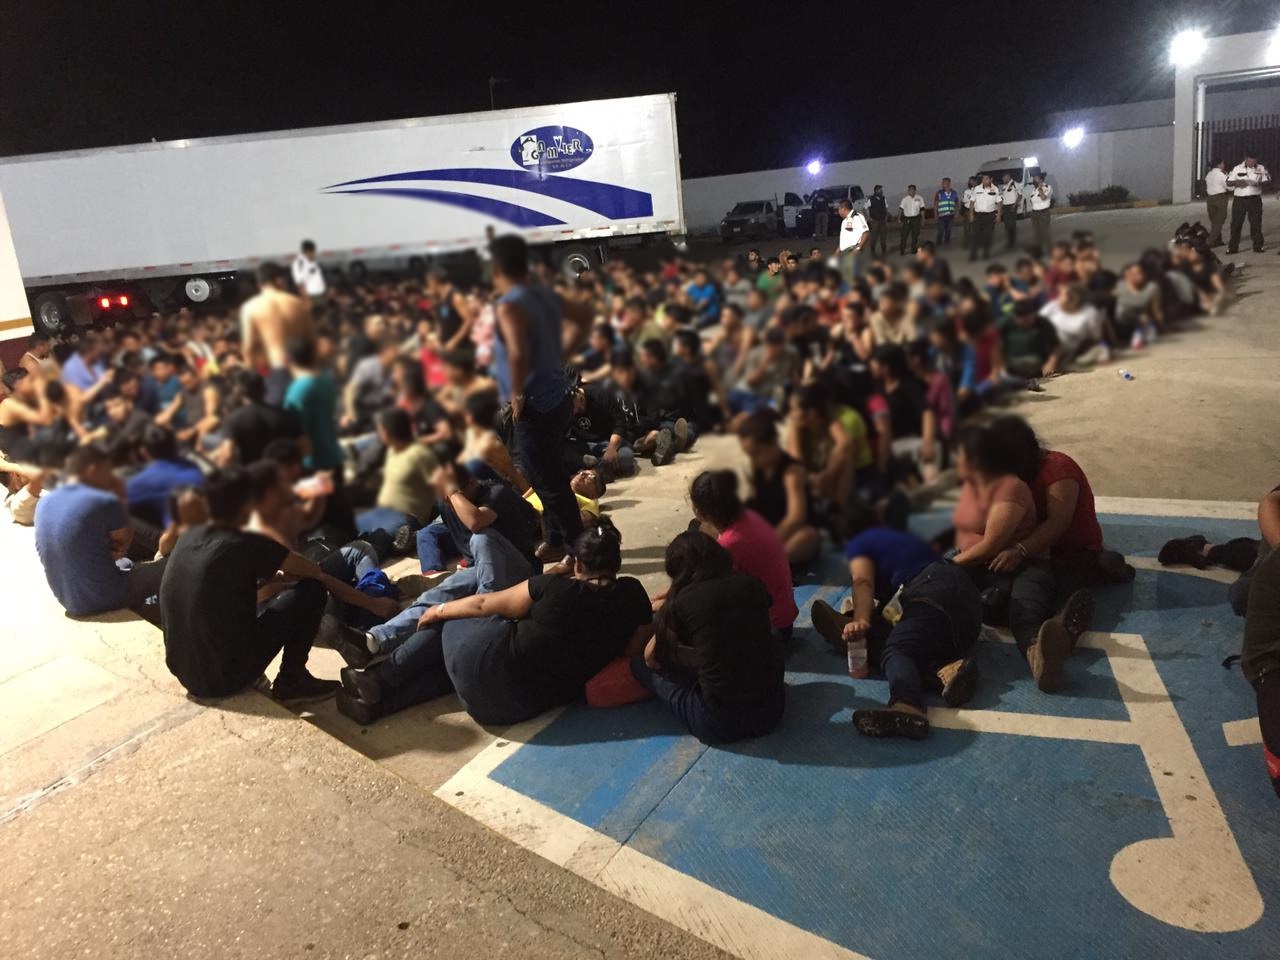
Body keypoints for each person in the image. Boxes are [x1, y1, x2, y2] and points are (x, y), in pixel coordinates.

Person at [337, 521, 651, 726]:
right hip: (513, 709)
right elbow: (632, 651)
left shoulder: (553, 588)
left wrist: (439, 611)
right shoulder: (634, 596)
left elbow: (484, 604)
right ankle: (376, 706)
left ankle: (381, 678)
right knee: (467, 665)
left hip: (490, 669)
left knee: (457, 622)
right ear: (617, 565)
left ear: (577, 564)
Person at [158, 467, 347, 702]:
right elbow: (311, 570)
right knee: (312, 590)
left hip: (183, 669)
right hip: (223, 677)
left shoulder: (192, 531)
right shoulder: (244, 539)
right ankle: (293, 680)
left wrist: (277, 580)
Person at [948, 426, 1091, 692]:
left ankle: (1044, 649)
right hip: (992, 567)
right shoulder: (978, 485)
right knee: (959, 598)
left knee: (1026, 609)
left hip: (1060, 554)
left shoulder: (1032, 478)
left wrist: (1020, 550)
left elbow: (1055, 524)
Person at [813, 520, 981, 740]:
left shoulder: (862, 542)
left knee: (897, 649)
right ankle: (947, 671)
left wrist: (860, 620)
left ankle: (907, 705)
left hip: (933, 592)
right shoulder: (902, 544)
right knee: (896, 641)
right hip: (966, 619)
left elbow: (862, 581)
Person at [492, 234, 592, 563]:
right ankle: (555, 538)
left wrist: (518, 394)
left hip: (536, 405)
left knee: (549, 481)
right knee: (544, 474)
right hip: (555, 396)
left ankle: (577, 551)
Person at [633, 532, 785, 744]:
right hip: (771, 712)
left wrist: (666, 610)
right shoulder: (751, 584)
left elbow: (651, 658)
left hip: (717, 722)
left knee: (639, 664)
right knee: (765, 639)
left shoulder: (681, 602)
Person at [989, 416, 1134, 593]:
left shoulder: (1058, 469)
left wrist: (1020, 551)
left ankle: (1103, 566)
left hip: (1069, 549)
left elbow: (1058, 523)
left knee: (1050, 585)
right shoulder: (1008, 471)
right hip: (1033, 545)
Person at [34, 444, 168, 618]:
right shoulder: (103, 499)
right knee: (170, 565)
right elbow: (124, 539)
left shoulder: (45, 501)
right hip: (103, 597)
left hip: (67, 597)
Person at [688, 469, 799, 642]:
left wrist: (671, 599)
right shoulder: (750, 516)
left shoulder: (729, 545)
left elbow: (704, 593)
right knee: (698, 529)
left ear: (700, 511)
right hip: (784, 620)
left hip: (768, 632)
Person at [738, 410, 821, 566]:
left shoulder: (792, 473)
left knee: (806, 537)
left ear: (773, 443)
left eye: (756, 453)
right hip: (767, 529)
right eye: (750, 455)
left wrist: (765, 543)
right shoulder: (759, 468)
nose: (753, 460)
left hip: (790, 534)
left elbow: (795, 518)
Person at [355, 407, 438, 538]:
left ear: (389, 431)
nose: (379, 434)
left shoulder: (421, 454)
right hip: (381, 511)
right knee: (347, 528)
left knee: (378, 538)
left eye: (380, 429)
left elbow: (439, 487)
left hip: (406, 517)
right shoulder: (391, 450)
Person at [241, 262, 314, 406]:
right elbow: (310, 339)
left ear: (260, 284)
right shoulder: (298, 303)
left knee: (279, 415)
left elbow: (248, 347)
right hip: (303, 369)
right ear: (279, 280)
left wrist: (252, 374)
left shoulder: (251, 307)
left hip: (276, 369)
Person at [215, 369, 302, 465]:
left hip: (253, 472)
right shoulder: (282, 413)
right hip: (283, 468)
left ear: (238, 392)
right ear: (264, 389)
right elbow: (304, 445)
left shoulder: (232, 419)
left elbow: (228, 454)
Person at [125, 424, 205, 527]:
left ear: (144, 452)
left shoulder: (149, 479)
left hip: (183, 532)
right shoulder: (192, 463)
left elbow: (116, 501)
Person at [999, 299, 1061, 379]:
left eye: (1028, 317)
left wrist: (1051, 363)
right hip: (1010, 363)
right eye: (1021, 318)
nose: (1025, 320)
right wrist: (1000, 365)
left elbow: (1056, 346)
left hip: (1035, 364)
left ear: (1033, 314)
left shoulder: (1043, 324)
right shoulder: (1006, 323)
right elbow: (993, 342)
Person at [1226, 150, 1270, 255]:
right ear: (1245, 159)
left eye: (1254, 161)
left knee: (1256, 223)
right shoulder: (1237, 168)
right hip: (1240, 199)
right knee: (1236, 224)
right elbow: (1228, 182)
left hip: (1255, 199)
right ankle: (1233, 248)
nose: (1252, 163)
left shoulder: (1261, 168)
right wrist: (1238, 182)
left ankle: (1258, 246)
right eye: (1250, 161)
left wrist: (1258, 183)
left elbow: (1267, 180)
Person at [834, 198, 869, 285]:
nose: (838, 211)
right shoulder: (845, 221)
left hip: (851, 251)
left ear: (843, 209)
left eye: (838, 209)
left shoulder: (857, 217)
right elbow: (844, 238)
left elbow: (866, 233)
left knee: (851, 279)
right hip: (844, 252)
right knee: (845, 278)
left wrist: (857, 249)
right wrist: (837, 251)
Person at [969, 174, 1001, 262]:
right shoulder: (977, 188)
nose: (984, 180)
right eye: (983, 179)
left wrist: (998, 215)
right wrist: (971, 214)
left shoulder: (995, 189)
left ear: (991, 179)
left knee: (987, 235)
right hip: (978, 215)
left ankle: (986, 253)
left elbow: (999, 202)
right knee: (975, 235)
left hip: (989, 216)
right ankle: (973, 255)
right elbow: (972, 201)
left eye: (986, 179)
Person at [290, 239, 326, 305]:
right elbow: (300, 283)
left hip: (320, 293)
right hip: (311, 296)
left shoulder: (312, 261)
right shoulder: (299, 263)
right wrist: (306, 299)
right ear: (307, 252)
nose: (315, 253)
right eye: (313, 252)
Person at [1203, 159, 1229, 248]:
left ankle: (1218, 240)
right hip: (1220, 198)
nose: (1224, 165)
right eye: (1223, 163)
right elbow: (1228, 186)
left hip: (1210, 198)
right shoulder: (1221, 175)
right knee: (1219, 221)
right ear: (1219, 164)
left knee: (1214, 221)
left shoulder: (1209, 174)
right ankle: (1209, 242)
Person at [1028, 173, 1053, 252]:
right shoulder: (1034, 189)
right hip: (1035, 213)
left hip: (1043, 213)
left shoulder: (1047, 187)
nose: (1034, 180)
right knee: (1037, 232)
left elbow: (1043, 197)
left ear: (1041, 180)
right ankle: (1040, 249)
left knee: (1045, 232)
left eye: (1036, 178)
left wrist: (1040, 189)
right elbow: (1032, 200)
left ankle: (1050, 249)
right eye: (1034, 178)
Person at [898, 185, 925, 256]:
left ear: (915, 191)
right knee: (904, 235)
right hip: (907, 219)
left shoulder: (919, 198)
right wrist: (899, 219)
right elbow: (901, 210)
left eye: (912, 190)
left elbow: (922, 209)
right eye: (909, 190)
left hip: (916, 219)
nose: (911, 191)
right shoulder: (905, 199)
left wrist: (923, 219)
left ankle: (913, 249)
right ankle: (902, 250)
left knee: (915, 235)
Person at [932, 178, 959, 246]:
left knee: (948, 230)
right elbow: (935, 204)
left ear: (949, 183)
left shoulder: (954, 193)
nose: (943, 184)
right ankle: (939, 244)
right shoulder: (939, 193)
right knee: (941, 231)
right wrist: (935, 214)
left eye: (945, 183)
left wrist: (957, 212)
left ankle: (947, 244)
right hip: (941, 216)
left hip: (951, 215)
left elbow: (956, 203)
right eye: (943, 183)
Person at [1000, 173, 1022, 250]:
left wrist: (1015, 205)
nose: (1003, 179)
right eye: (1003, 178)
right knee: (1007, 225)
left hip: (1012, 206)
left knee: (1012, 224)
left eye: (1004, 178)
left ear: (1008, 177)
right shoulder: (1004, 186)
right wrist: (1001, 208)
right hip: (1005, 207)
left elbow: (1020, 195)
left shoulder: (1015, 184)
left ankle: (1012, 242)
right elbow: (1002, 197)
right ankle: (1009, 242)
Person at [866, 186, 889, 258]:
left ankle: (884, 250)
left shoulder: (883, 198)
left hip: (882, 220)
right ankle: (872, 249)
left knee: (883, 236)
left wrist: (886, 216)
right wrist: (869, 217)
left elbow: (886, 207)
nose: (881, 192)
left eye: (881, 190)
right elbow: (865, 208)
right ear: (876, 191)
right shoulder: (871, 199)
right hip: (875, 220)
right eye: (880, 190)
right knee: (874, 236)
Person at [960, 177, 977, 250]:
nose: (971, 183)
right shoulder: (967, 191)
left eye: (973, 181)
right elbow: (964, 201)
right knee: (967, 228)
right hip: (968, 210)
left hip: (976, 210)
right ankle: (966, 243)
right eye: (970, 181)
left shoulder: (979, 190)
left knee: (976, 228)